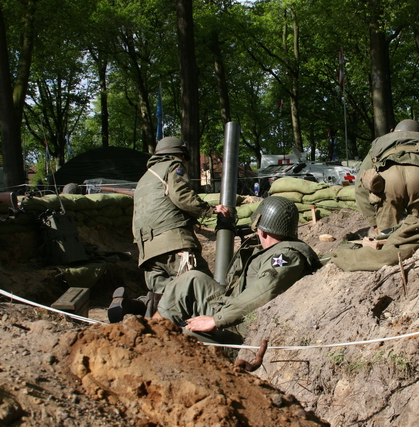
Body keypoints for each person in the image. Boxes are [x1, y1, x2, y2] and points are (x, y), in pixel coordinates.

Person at [151, 196, 322, 343]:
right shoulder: (272, 251)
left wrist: (215, 321)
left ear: (261, 230)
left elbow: (263, 292)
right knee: (192, 279)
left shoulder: (287, 256)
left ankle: (153, 341)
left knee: (185, 337)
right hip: (234, 310)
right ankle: (149, 331)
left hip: (246, 329)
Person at [108, 136, 230, 323]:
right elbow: (181, 195)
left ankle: (136, 308)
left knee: (166, 295)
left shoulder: (144, 178)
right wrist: (210, 209)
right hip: (174, 245)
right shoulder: (173, 167)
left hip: (147, 251)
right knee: (202, 289)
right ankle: (216, 340)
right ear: (180, 154)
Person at [354, 119, 419, 234]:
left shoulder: (379, 145)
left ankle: (387, 243)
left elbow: (360, 185)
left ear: (394, 131)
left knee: (386, 233)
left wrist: (373, 221)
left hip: (388, 181)